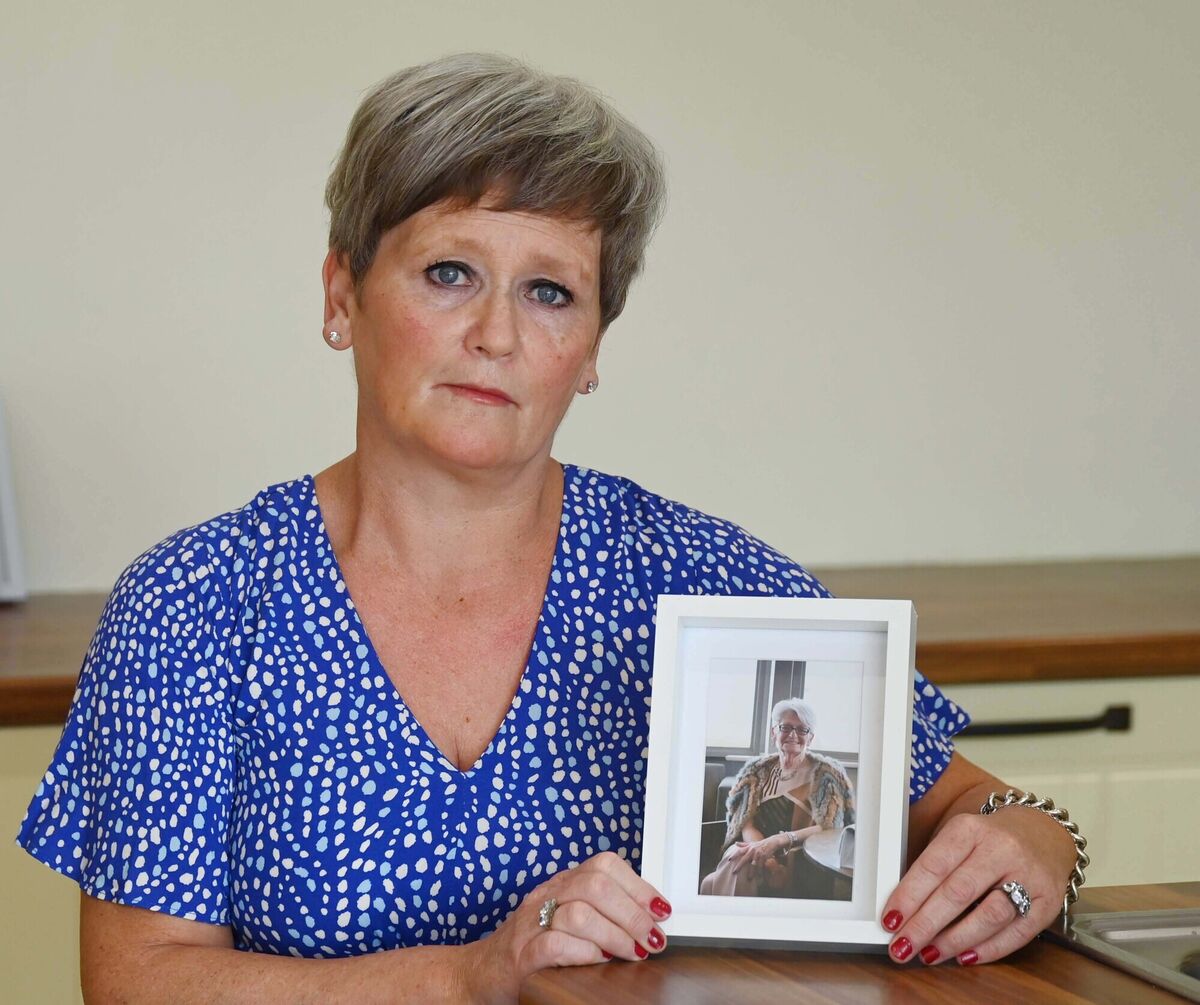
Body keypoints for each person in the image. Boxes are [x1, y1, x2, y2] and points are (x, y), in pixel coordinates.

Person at [16, 52, 1084, 1002]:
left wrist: (1034, 838)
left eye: (550, 293)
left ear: (594, 345)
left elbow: (965, 804)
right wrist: (474, 975)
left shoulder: (700, 581)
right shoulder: (196, 603)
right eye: (449, 274)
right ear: (343, 294)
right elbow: (139, 980)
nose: (495, 335)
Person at [700, 699, 854, 898]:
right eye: (786, 727)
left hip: (799, 858)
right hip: (756, 850)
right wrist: (768, 859)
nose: (793, 735)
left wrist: (780, 840)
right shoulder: (757, 771)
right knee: (733, 863)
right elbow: (745, 823)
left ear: (811, 737)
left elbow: (828, 827)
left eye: (802, 730)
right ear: (774, 732)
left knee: (711, 883)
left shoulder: (826, 775)